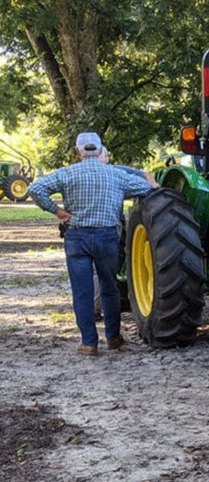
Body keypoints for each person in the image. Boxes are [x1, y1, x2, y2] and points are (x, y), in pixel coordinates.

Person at [28, 132, 155, 356]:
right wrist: (150, 180)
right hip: (107, 238)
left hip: (76, 237)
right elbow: (146, 189)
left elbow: (35, 189)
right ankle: (113, 337)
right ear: (99, 150)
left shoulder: (67, 173)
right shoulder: (115, 175)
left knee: (82, 291)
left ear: (78, 152)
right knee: (109, 288)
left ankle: (89, 343)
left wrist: (57, 211)